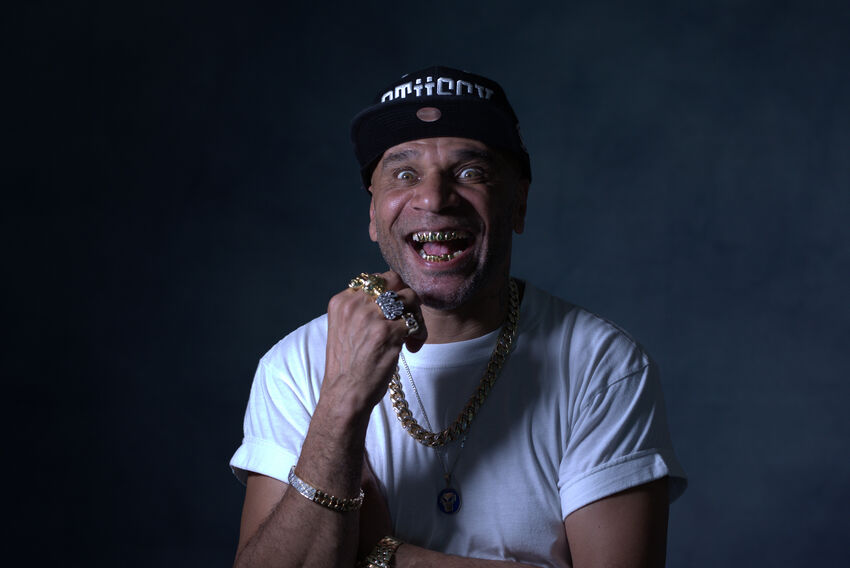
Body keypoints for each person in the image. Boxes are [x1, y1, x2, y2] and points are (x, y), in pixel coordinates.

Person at [229, 65, 687, 568]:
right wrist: (340, 404)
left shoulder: (601, 365)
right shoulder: (295, 367)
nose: (434, 198)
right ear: (373, 212)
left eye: (471, 173)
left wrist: (387, 555)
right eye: (405, 174)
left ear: (519, 202)